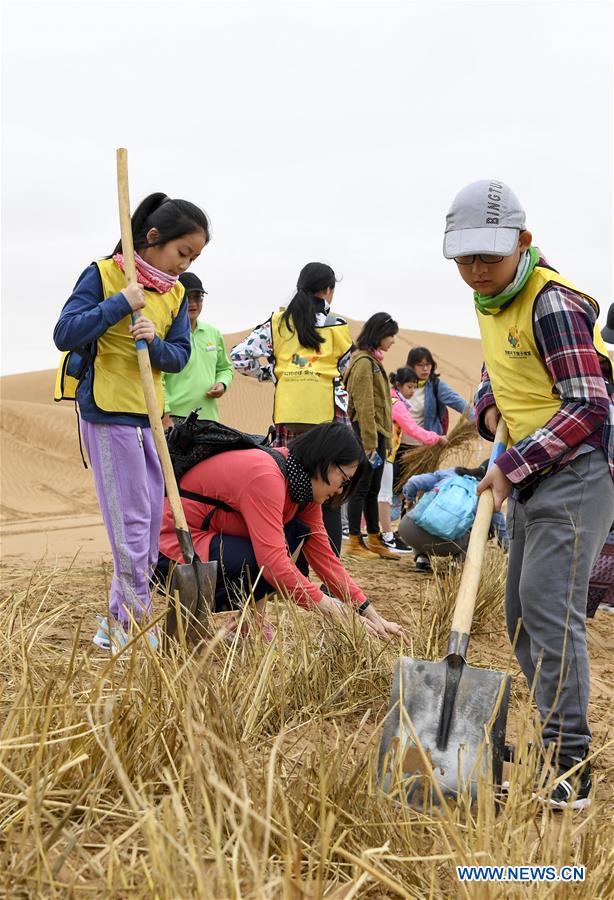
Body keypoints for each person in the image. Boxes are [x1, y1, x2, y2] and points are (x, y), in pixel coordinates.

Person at [443, 178, 614, 809]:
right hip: (532, 473)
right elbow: (498, 369)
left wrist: (512, 465)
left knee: (547, 610)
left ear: (523, 242)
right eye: (465, 259)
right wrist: (489, 410)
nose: (477, 270)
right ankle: (554, 738)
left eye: (489, 256)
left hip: (578, 473)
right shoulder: (491, 300)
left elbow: (588, 405)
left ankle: (570, 766)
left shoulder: (552, 303)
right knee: (520, 614)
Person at [53, 192, 211, 653]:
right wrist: (119, 304)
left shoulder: (174, 293)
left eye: (194, 258)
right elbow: (65, 332)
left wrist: (154, 343)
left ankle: (119, 620)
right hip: (108, 413)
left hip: (149, 418)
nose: (185, 265)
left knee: (150, 521)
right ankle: (132, 621)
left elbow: (178, 356)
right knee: (131, 523)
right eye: (182, 252)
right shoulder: (104, 275)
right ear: (153, 237)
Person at [157, 422, 403, 640]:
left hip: (208, 545)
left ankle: (247, 624)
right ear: (326, 462)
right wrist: (334, 609)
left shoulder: (303, 488)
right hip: (173, 550)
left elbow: (325, 559)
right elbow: (273, 564)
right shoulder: (266, 476)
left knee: (294, 535)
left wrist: (369, 613)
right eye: (344, 480)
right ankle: (203, 625)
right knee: (266, 561)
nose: (340, 491)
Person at [230, 262, 353, 555]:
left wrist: (275, 374)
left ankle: (293, 567)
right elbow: (344, 365)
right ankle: (331, 568)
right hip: (328, 418)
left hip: (290, 418)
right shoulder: (337, 326)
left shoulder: (277, 323)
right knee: (330, 494)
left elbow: (239, 357)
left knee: (292, 493)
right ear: (328, 290)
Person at [343, 313, 402, 560]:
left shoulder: (373, 361)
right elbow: (365, 405)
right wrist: (369, 442)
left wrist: (384, 441)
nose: (393, 341)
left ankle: (374, 538)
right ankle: (354, 540)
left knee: (373, 488)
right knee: (361, 487)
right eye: (391, 336)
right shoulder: (364, 363)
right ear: (379, 334)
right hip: (365, 434)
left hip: (377, 435)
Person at [378, 367, 447, 553]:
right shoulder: (397, 405)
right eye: (409, 387)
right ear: (398, 385)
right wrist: (436, 438)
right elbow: (412, 429)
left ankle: (375, 534)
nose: (412, 391)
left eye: (415, 387)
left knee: (377, 494)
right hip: (386, 454)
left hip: (383, 452)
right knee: (384, 496)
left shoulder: (390, 398)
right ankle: (386, 537)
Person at [399, 461, 508, 572]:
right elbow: (502, 533)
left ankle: (422, 559)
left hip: (408, 532)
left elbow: (413, 482)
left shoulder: (450, 473)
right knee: (479, 532)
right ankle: (456, 564)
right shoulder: (487, 495)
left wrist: (409, 501)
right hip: (446, 546)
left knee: (422, 511)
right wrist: (509, 551)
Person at [161, 272, 233, 427]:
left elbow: (225, 368)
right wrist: (165, 413)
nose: (193, 303)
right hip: (174, 418)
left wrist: (222, 384)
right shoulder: (166, 333)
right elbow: (157, 378)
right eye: (187, 297)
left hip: (209, 418)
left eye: (198, 297)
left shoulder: (213, 333)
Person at [405, 346, 473, 438]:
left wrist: (478, 420)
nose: (425, 369)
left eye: (428, 364)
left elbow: (458, 402)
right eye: (420, 365)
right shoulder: (401, 385)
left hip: (426, 444)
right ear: (411, 366)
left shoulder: (436, 385)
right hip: (399, 443)